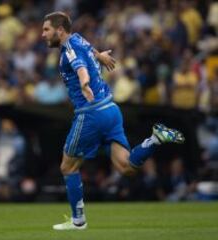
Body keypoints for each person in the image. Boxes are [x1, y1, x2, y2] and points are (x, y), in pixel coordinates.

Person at [41, 11, 185, 230]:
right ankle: (154, 139)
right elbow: (90, 51)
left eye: (46, 29)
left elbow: (80, 68)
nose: (43, 34)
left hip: (91, 112)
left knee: (68, 167)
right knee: (126, 167)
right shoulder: (78, 38)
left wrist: (84, 84)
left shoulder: (69, 49)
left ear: (59, 30)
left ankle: (78, 221)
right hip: (111, 109)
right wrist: (101, 57)